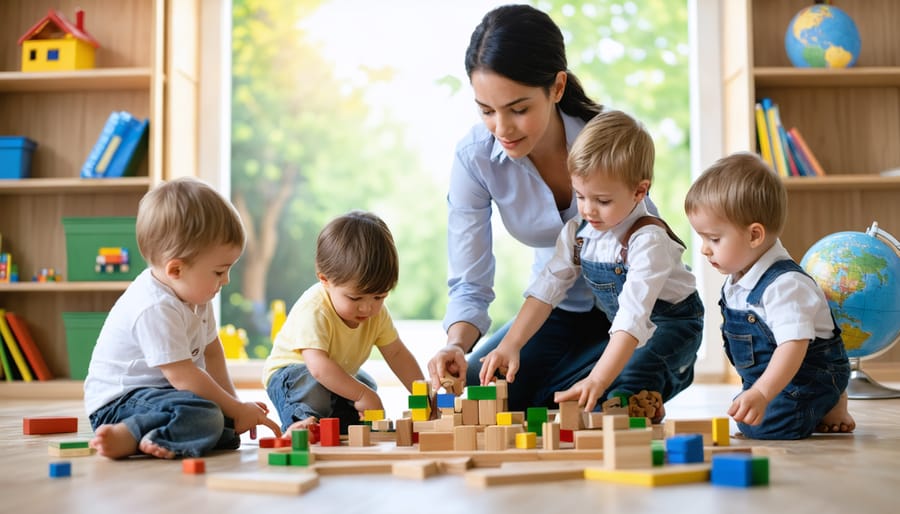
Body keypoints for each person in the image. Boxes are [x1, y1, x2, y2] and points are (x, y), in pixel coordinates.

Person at [428, 4, 660, 411]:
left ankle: (621, 386)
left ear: (556, 87)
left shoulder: (607, 139)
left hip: (633, 314)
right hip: (555, 311)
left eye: (518, 109)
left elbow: (647, 246)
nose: (502, 129)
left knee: (613, 387)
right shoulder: (475, 159)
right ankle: (584, 386)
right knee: (484, 393)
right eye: (486, 111)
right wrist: (456, 345)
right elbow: (470, 282)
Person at [478, 110, 703, 417]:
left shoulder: (648, 241)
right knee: (574, 394)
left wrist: (598, 378)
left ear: (640, 191)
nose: (588, 210)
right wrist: (511, 344)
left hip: (671, 329)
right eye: (580, 196)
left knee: (617, 396)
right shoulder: (579, 232)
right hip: (626, 331)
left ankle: (662, 381)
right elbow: (547, 288)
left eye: (602, 200)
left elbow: (632, 317)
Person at [84, 177, 281, 460]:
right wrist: (237, 410)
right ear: (176, 269)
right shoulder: (154, 306)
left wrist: (235, 407)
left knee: (225, 430)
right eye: (218, 271)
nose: (225, 280)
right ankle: (128, 435)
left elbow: (213, 354)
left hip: (169, 396)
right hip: (120, 404)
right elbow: (184, 376)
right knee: (208, 416)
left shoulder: (197, 297)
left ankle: (167, 435)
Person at [684, 152, 855, 439]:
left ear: (754, 236)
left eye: (713, 239)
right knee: (745, 412)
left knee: (763, 426)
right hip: (770, 376)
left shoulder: (785, 286)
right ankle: (816, 403)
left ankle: (830, 397)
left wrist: (762, 393)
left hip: (808, 376)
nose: (704, 249)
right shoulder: (739, 276)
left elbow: (793, 347)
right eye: (702, 238)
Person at [263, 211, 425, 434]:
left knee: (366, 384)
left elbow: (397, 354)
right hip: (292, 375)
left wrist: (423, 396)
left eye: (379, 297)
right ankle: (301, 424)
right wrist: (361, 395)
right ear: (325, 281)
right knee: (317, 388)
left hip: (334, 372)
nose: (368, 308)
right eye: (355, 298)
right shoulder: (315, 309)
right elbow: (319, 368)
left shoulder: (377, 314)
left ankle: (342, 426)